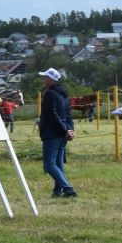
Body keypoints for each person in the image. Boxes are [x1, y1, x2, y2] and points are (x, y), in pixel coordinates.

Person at [37, 68, 77, 197]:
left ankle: (68, 188)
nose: (44, 80)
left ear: (51, 79)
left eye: (45, 77)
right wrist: (69, 130)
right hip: (62, 134)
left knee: (49, 164)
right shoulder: (64, 95)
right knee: (58, 164)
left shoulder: (50, 94)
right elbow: (68, 115)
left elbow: (53, 115)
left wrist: (65, 130)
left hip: (52, 133)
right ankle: (57, 191)